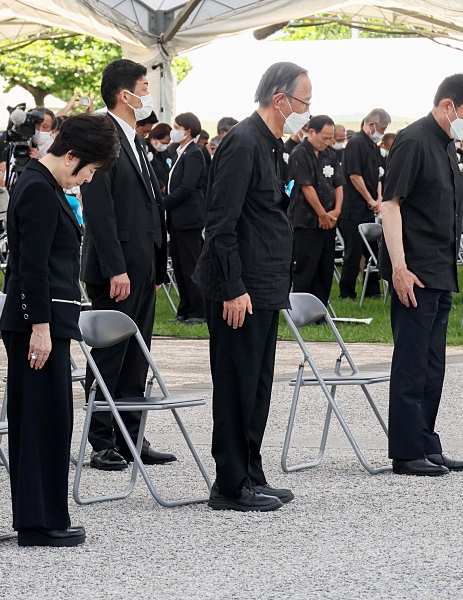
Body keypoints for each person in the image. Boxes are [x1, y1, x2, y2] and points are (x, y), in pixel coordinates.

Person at [194, 61, 310, 511]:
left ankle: (251, 472)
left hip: (264, 284)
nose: (306, 110)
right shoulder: (242, 142)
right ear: (280, 99)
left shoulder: (272, 144)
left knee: (258, 384)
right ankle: (229, 484)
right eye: (303, 101)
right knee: (236, 383)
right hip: (239, 287)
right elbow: (220, 224)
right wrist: (232, 286)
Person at [0, 114, 119, 548]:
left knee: (52, 420)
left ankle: (49, 513)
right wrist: (40, 327)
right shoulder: (36, 188)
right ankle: (36, 521)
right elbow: (31, 267)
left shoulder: (43, 185)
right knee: (37, 421)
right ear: (71, 156)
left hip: (49, 321)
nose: (86, 179)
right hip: (38, 323)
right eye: (87, 170)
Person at [379, 73, 463, 477]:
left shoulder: (446, 147)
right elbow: (390, 206)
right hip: (415, 270)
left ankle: (426, 442)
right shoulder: (414, 141)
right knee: (410, 362)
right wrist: (399, 268)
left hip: (441, 269)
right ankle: (406, 452)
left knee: (432, 363)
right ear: (447, 106)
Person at [80, 59, 174, 471]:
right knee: (111, 355)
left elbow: (149, 205)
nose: (147, 94)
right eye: (142, 86)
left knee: (138, 355)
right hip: (116, 270)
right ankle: (102, 438)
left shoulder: (135, 139)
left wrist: (156, 260)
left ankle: (131, 433)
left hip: (143, 266)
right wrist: (115, 267)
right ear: (124, 94)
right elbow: (100, 211)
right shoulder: (101, 136)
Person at [289, 114, 344, 305]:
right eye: (325, 138)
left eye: (331, 138)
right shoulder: (299, 153)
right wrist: (321, 213)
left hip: (329, 220)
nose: (328, 142)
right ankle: (302, 309)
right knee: (306, 266)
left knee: (325, 266)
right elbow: (306, 186)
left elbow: (338, 184)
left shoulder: (331, 155)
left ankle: (320, 310)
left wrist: (336, 212)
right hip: (307, 220)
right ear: (311, 132)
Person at [339, 108, 391, 300]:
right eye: (382, 129)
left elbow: (378, 175)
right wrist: (369, 199)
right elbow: (354, 175)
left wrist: (378, 199)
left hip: (370, 207)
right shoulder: (355, 144)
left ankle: (372, 288)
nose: (382, 134)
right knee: (353, 252)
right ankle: (347, 291)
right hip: (353, 207)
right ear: (371, 125)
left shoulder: (373, 147)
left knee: (373, 250)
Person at [165, 112, 208, 324]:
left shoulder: (194, 153)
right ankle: (184, 308)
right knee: (180, 266)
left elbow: (187, 187)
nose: (174, 130)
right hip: (177, 218)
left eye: (177, 126)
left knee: (191, 264)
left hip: (189, 217)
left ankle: (198, 310)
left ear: (187, 130)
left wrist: (164, 203)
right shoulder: (178, 152)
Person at [147, 122, 172, 194]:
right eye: (163, 143)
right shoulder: (145, 149)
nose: (165, 146)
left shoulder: (165, 152)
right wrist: (161, 186)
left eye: (167, 144)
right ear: (154, 139)